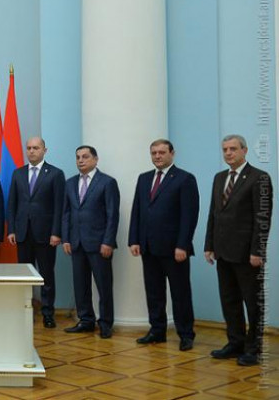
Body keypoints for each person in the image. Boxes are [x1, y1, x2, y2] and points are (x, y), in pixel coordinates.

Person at [205, 134, 272, 366]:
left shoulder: (259, 178)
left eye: (233, 149)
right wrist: (209, 245)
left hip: (247, 254)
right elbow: (214, 213)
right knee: (229, 300)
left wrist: (258, 251)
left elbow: (262, 218)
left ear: (244, 150)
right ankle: (235, 343)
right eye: (225, 149)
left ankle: (254, 348)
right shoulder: (219, 178)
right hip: (222, 252)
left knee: (253, 303)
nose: (228, 153)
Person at [128, 139, 199, 351]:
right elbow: (137, 210)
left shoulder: (185, 179)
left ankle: (186, 334)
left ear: (172, 153)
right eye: (154, 153)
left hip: (174, 249)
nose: (157, 156)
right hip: (148, 247)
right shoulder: (144, 178)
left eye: (161, 152)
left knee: (180, 293)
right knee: (154, 292)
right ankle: (157, 330)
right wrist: (134, 239)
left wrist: (182, 245)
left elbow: (189, 216)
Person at [61, 145, 120, 339]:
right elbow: (66, 213)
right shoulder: (70, 183)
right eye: (78, 157)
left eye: (85, 157)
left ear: (95, 159)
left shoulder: (107, 182)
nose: (80, 160)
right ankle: (86, 320)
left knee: (104, 286)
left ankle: (106, 323)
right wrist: (66, 238)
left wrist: (108, 241)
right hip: (76, 243)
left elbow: (112, 215)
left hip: (99, 244)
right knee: (81, 285)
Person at [7, 137, 65, 327]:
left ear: (44, 150)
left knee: (46, 275)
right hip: (23, 233)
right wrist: (12, 229)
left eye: (36, 148)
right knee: (25, 275)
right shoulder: (18, 173)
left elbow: (59, 206)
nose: (31, 151)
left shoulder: (55, 174)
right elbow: (12, 203)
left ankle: (48, 314)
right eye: (29, 148)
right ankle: (26, 311)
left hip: (46, 235)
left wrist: (56, 232)